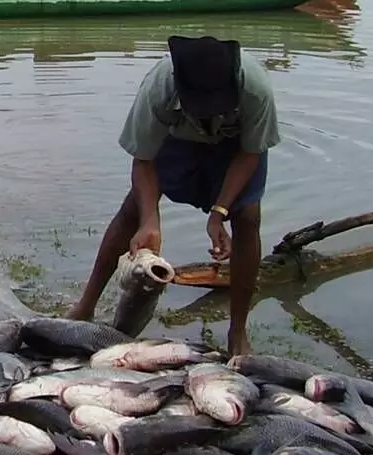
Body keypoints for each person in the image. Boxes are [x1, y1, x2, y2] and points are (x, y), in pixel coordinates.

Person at [66, 36, 280, 357]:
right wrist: (150, 219)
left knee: (248, 218)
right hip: (177, 140)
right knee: (133, 212)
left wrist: (219, 212)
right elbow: (144, 159)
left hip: (235, 147)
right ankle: (86, 306)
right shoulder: (158, 89)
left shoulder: (256, 90)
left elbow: (250, 153)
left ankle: (237, 332)